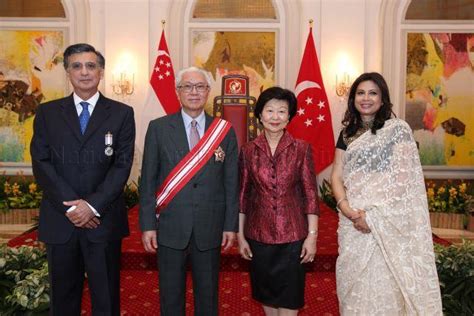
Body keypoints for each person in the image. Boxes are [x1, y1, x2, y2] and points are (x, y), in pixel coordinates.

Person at [30, 43, 135, 315]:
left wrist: (91, 206)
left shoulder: (122, 113)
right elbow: (41, 163)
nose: (84, 72)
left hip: (103, 221)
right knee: (62, 300)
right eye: (76, 66)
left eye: (91, 66)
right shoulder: (47, 112)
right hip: (60, 221)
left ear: (101, 72)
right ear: (67, 72)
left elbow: (122, 166)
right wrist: (73, 207)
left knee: (106, 300)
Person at [330, 72, 442, 315]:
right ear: (353, 98)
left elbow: (403, 181)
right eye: (360, 93)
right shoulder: (346, 133)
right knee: (353, 289)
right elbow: (336, 174)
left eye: (373, 93)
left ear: (383, 99)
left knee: (386, 289)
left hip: (387, 222)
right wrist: (347, 209)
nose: (366, 98)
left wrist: (372, 217)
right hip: (352, 223)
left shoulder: (397, 130)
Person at [139, 66, 239, 316]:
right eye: (187, 87)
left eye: (200, 87)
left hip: (210, 226)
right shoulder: (158, 128)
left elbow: (231, 183)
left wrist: (230, 226)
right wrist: (148, 225)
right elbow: (148, 181)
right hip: (170, 227)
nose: (194, 92)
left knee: (208, 297)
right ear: (177, 91)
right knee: (170, 297)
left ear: (208, 91)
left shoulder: (224, 130)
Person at [238, 87, 320, 316]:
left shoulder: (301, 149)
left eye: (282, 111)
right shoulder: (247, 151)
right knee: (267, 300)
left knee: (290, 302)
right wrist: (240, 235)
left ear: (289, 116)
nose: (275, 117)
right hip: (259, 237)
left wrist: (312, 238)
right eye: (270, 110)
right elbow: (243, 196)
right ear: (260, 114)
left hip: (293, 238)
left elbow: (311, 195)